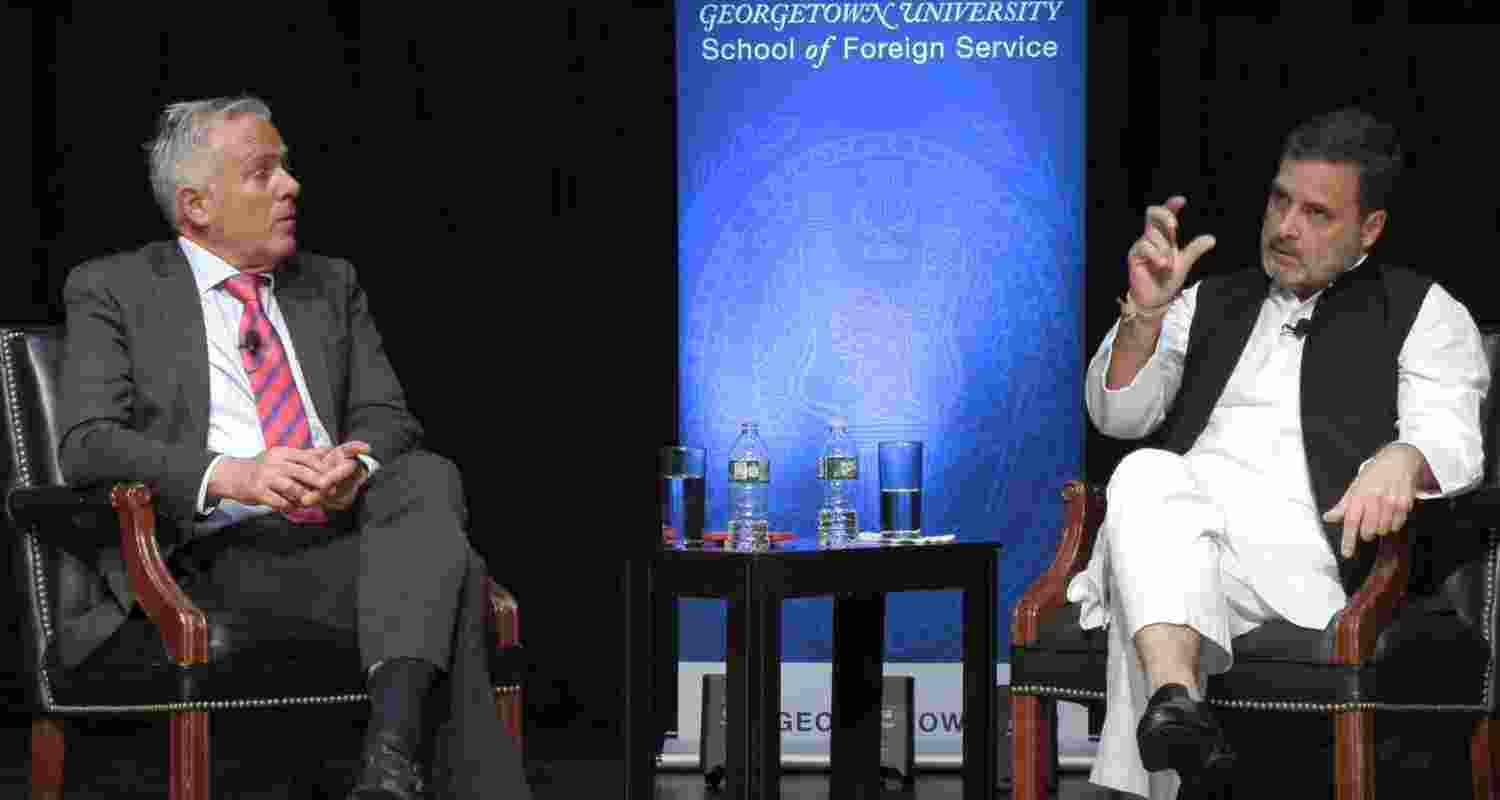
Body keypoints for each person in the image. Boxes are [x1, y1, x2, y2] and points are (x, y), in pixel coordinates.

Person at [56, 95, 531, 800]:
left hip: (344, 534)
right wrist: (233, 476)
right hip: (215, 553)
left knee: (424, 476)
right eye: (263, 173)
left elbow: (388, 416)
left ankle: (389, 764)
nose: (291, 186)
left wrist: (353, 463)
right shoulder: (114, 288)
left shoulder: (330, 283)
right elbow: (88, 444)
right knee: (452, 578)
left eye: (287, 168)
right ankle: (396, 762)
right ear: (197, 206)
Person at [1066, 107, 1490, 798]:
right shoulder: (1208, 300)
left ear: (1369, 230)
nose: (1285, 227)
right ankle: (1176, 701)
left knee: (1143, 564)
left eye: (1317, 214)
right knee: (1144, 474)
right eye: (1279, 200)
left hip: (1304, 560)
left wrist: (1403, 458)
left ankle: (1157, 738)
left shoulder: (1420, 309)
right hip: (1179, 541)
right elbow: (1119, 415)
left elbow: (1454, 438)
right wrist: (1142, 317)